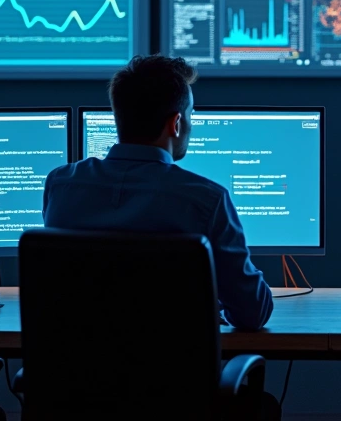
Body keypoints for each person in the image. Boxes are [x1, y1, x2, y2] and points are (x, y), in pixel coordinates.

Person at [43, 55, 274, 330]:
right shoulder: (207, 201)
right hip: (172, 372)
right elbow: (252, 314)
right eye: (190, 117)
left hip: (73, 372)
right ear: (175, 123)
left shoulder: (60, 185)